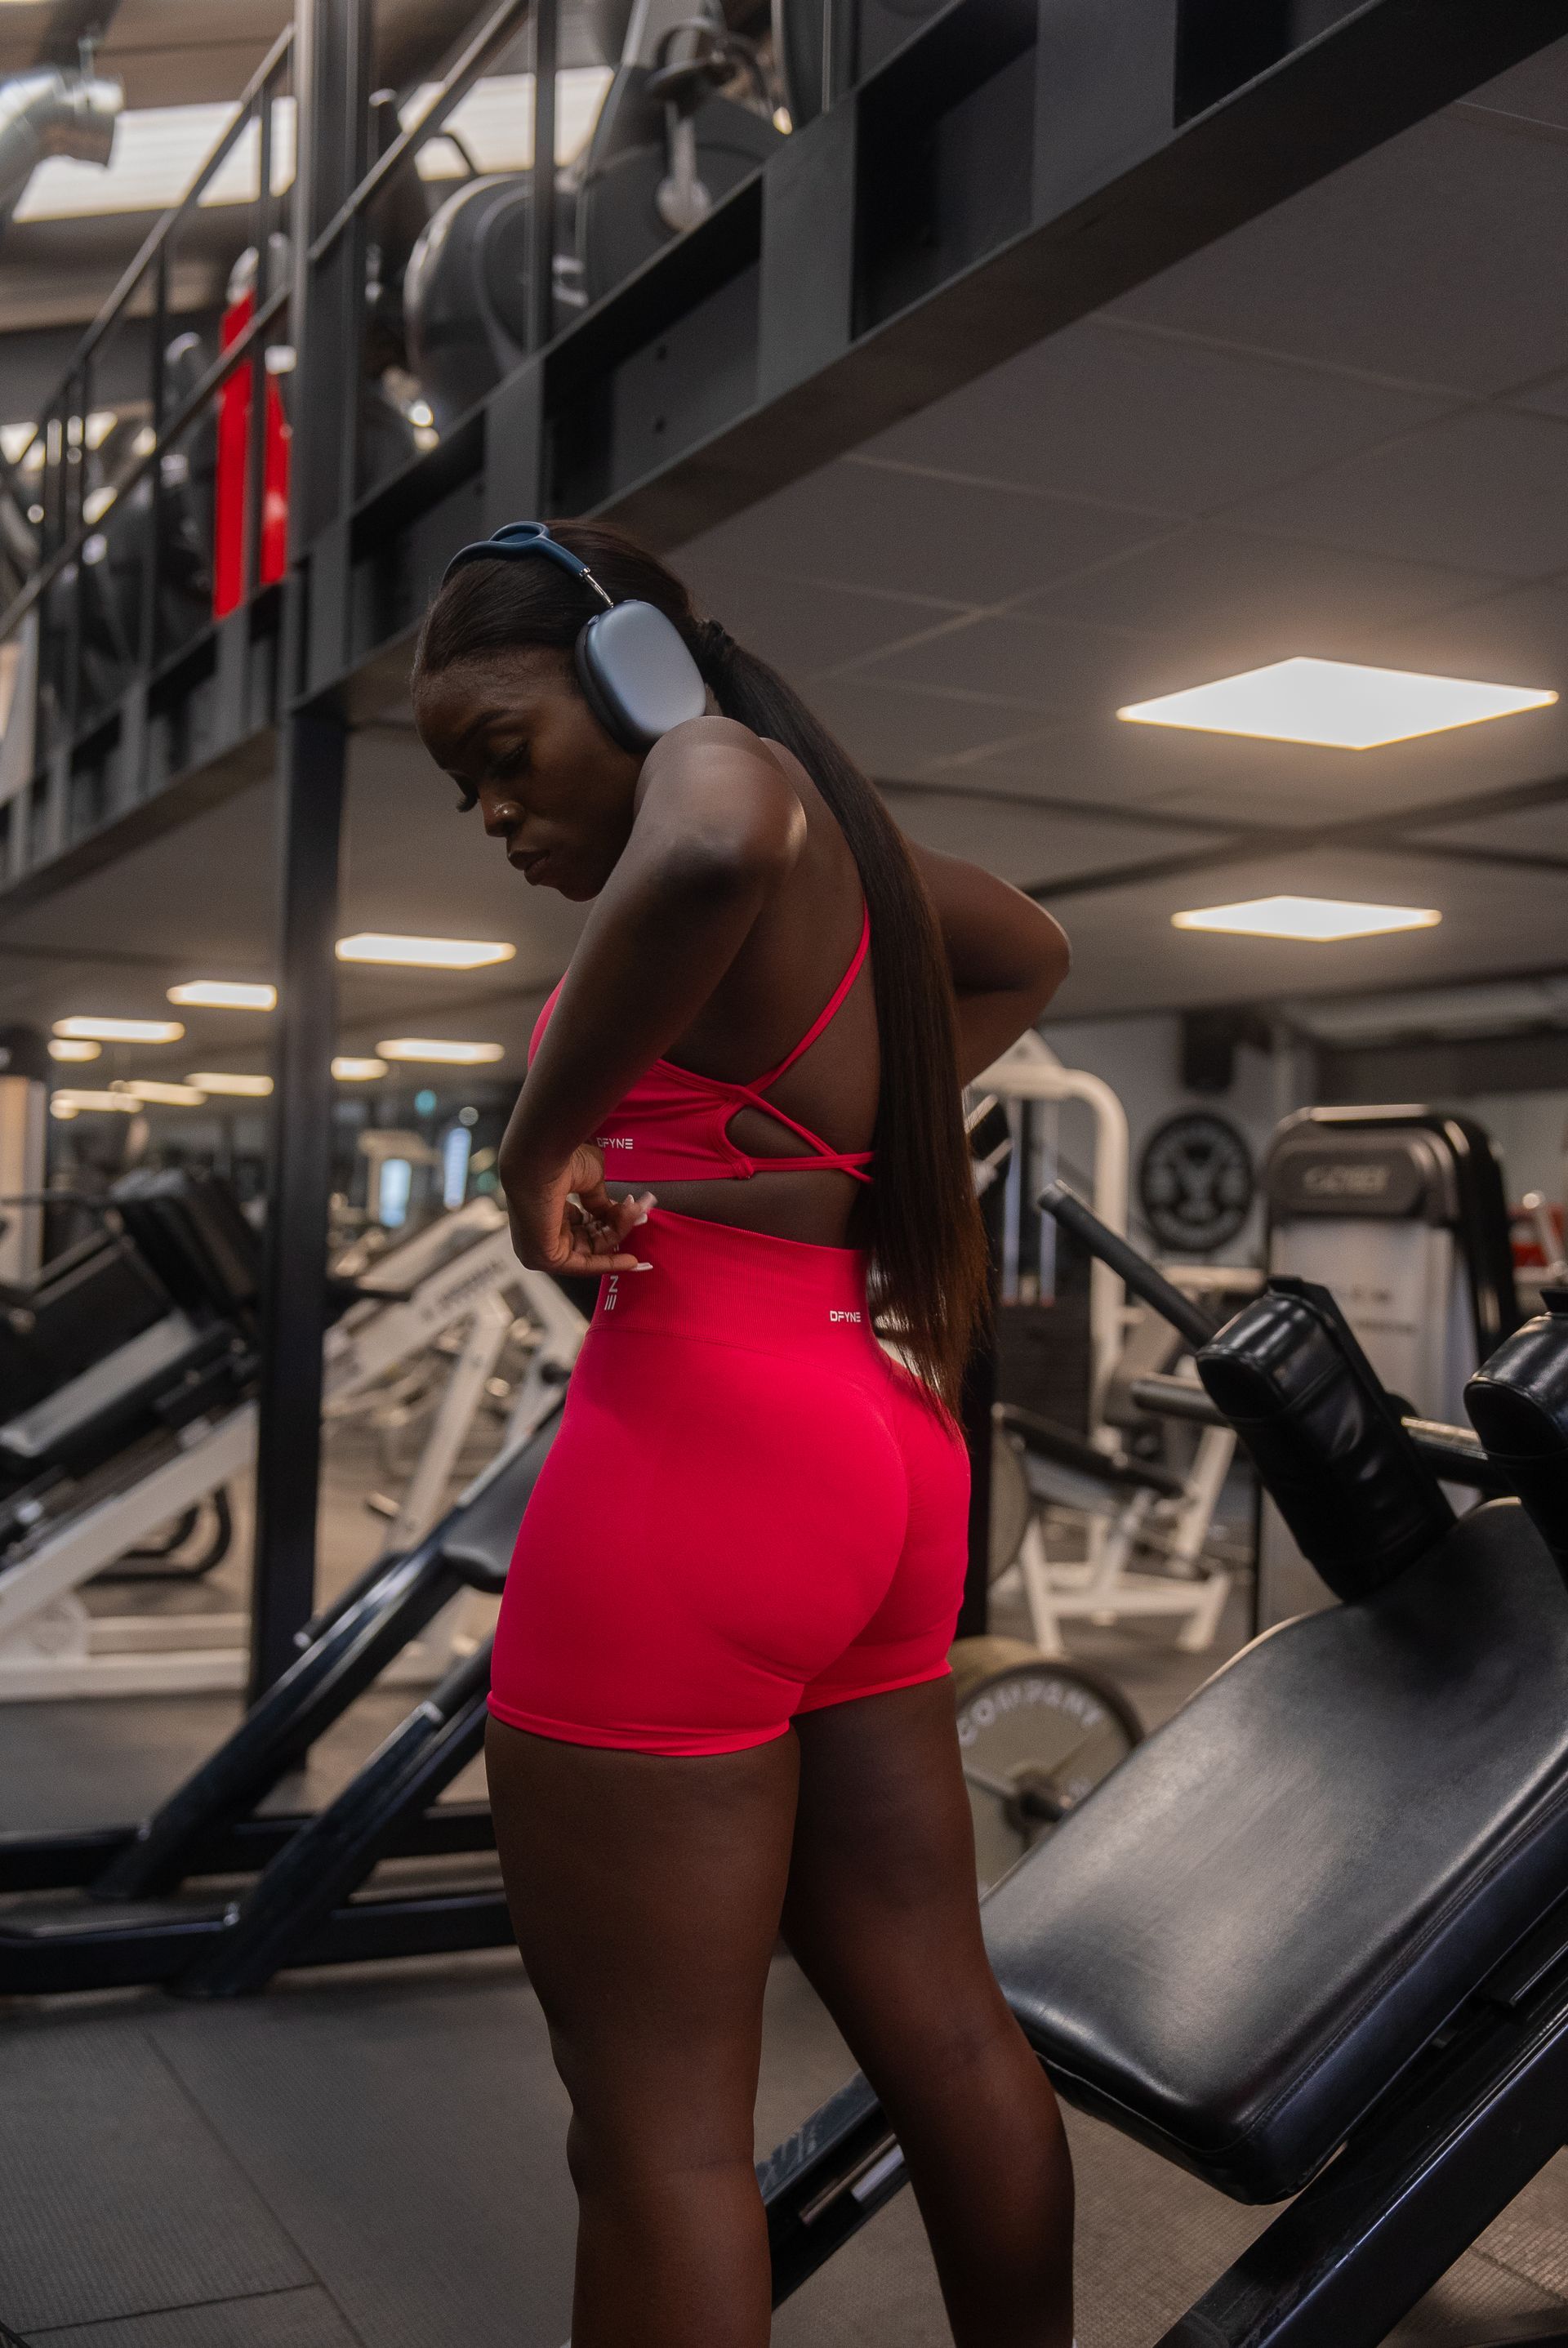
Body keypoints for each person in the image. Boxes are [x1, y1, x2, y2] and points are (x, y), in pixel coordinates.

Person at [412, 519, 1074, 2348]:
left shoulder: (722, 773)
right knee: (950, 2031)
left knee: (660, 2141)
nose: (494, 814)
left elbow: (708, 833)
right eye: (466, 788)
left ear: (633, 672)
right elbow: (1027, 950)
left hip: (701, 1463)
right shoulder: (836, 843)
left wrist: (535, 1149)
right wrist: (860, 1123)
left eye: (502, 753)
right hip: (878, 1448)